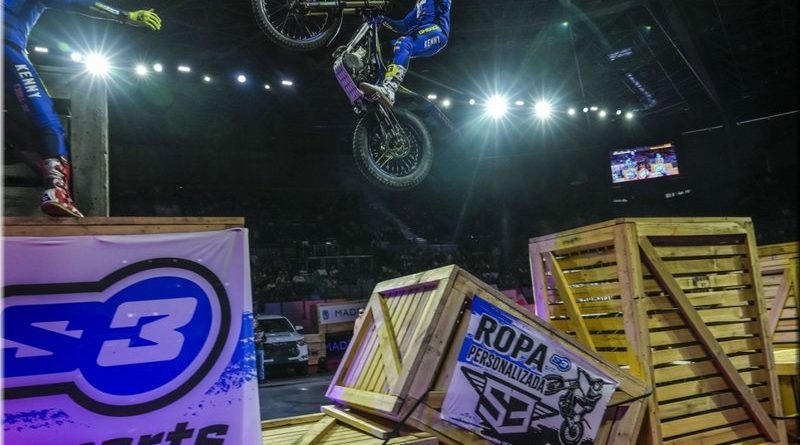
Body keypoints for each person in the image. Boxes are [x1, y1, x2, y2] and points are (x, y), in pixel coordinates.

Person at [4, 0, 162, 217]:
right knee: (46, 119)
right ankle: (56, 191)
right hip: (8, 48)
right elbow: (74, 3)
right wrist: (124, 15)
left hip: (10, 49)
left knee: (30, 121)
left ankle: (53, 187)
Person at [359, 0, 451, 108]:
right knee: (383, 49)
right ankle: (370, 80)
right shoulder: (419, 4)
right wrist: (382, 19)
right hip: (420, 34)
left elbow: (445, 4)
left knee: (404, 42)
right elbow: (404, 25)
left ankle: (390, 88)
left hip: (436, 32)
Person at [254, 318, 266, 383]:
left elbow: (265, 339)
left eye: (256, 322)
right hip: (251, 350)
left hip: (260, 348)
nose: (255, 323)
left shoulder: (260, 330)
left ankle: (261, 379)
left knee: (261, 364)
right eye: (253, 322)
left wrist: (260, 339)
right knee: (253, 365)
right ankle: (254, 379)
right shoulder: (248, 330)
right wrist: (254, 340)